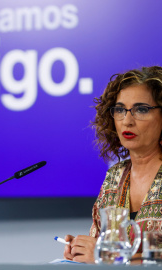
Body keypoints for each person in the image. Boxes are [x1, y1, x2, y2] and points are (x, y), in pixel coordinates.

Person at [63, 66, 162, 263]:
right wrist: (82, 250)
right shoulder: (115, 177)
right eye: (119, 110)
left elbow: (107, 256)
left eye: (141, 109)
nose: (127, 120)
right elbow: (101, 248)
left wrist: (108, 257)